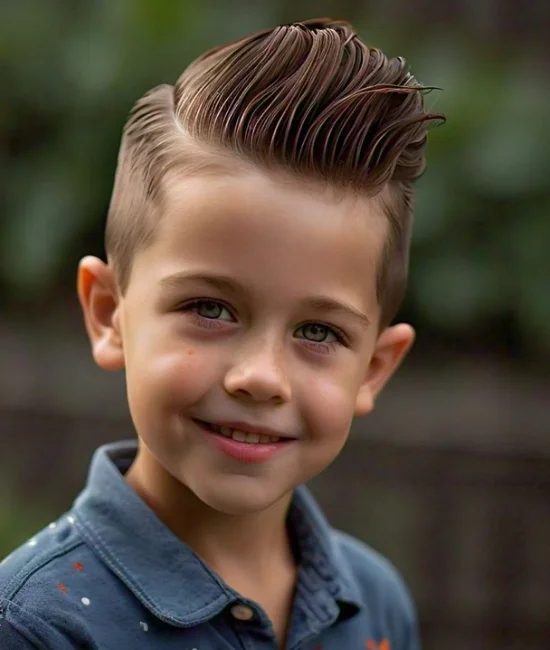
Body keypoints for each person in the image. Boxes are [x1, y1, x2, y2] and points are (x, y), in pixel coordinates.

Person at [0, 17, 443, 650]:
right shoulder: (35, 626)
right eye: (210, 310)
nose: (260, 377)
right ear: (108, 314)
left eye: (318, 330)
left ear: (374, 368)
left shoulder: (376, 604)